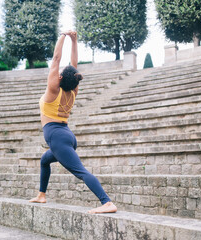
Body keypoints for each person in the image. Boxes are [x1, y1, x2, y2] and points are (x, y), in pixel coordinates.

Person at [29, 30, 117, 214]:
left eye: (60, 72)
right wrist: (74, 41)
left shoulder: (54, 90)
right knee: (45, 161)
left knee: (81, 172)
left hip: (58, 138)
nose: (58, 71)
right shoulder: (72, 90)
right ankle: (41, 195)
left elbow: (55, 59)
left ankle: (107, 202)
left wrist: (62, 35)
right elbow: (73, 67)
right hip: (66, 136)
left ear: (60, 78)